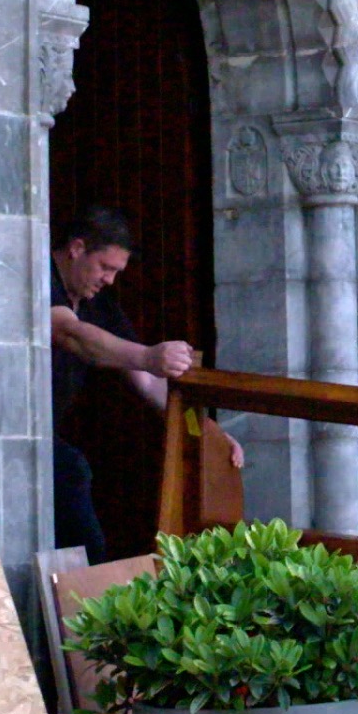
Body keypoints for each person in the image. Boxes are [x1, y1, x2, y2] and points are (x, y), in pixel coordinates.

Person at [47, 204, 236, 561]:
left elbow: (148, 384)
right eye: (105, 267)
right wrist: (150, 355)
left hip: (49, 434)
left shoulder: (99, 304)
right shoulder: (38, 277)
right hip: (8, 432)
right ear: (76, 249)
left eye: (117, 271)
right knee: (71, 476)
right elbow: (71, 334)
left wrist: (212, 434)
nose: (109, 280)